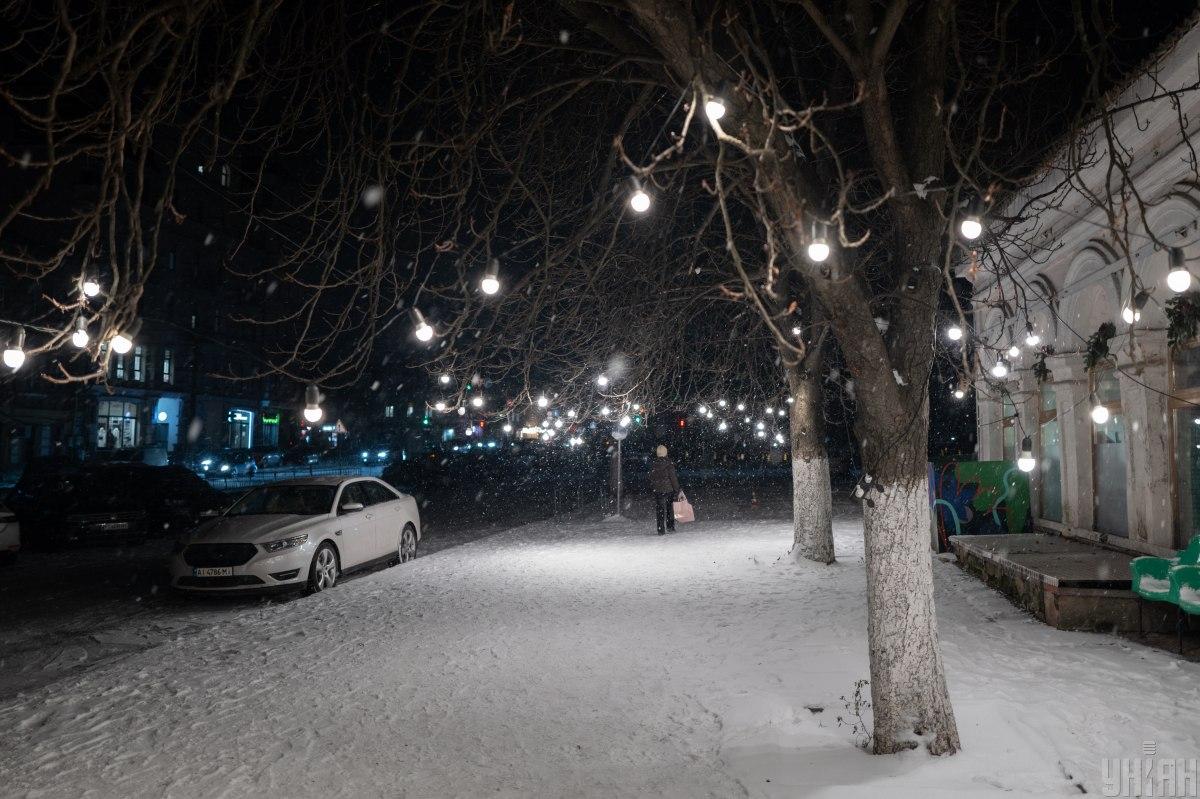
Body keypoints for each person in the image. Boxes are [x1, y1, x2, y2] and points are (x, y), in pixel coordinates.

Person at [648, 444, 681, 535]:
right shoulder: (669, 464)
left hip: (658, 491)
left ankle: (660, 529)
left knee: (660, 510)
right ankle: (670, 526)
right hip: (669, 490)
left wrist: (654, 487)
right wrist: (677, 489)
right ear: (666, 453)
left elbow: (651, 478)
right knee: (670, 509)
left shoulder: (654, 465)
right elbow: (673, 478)